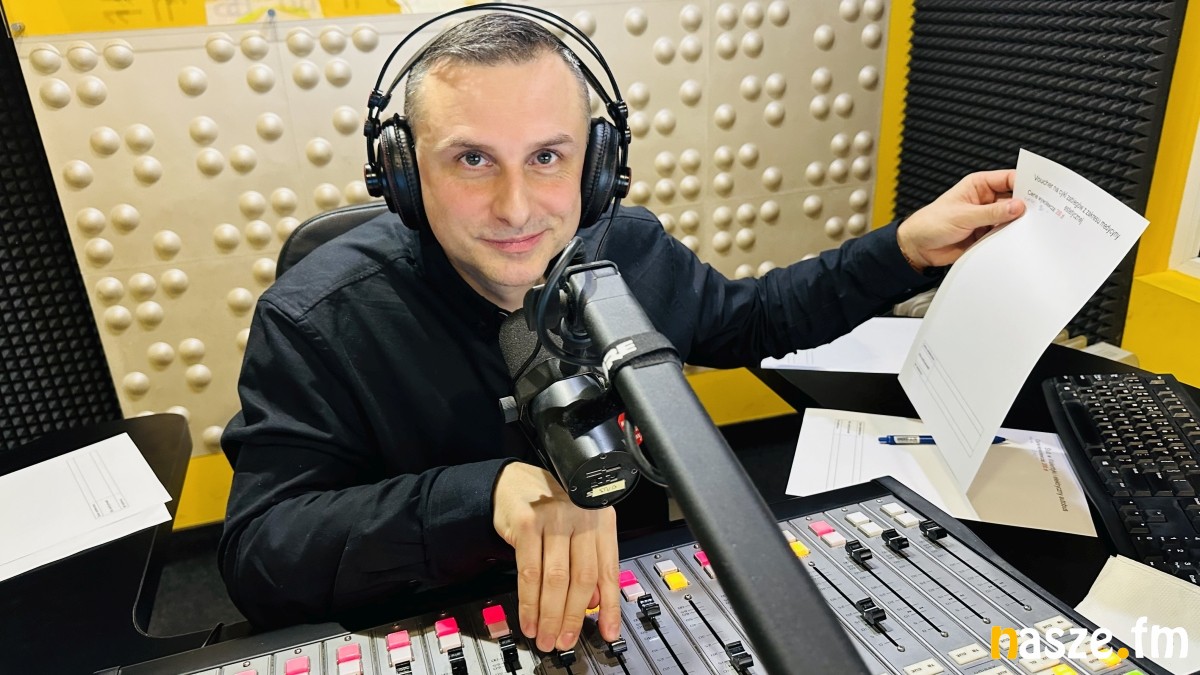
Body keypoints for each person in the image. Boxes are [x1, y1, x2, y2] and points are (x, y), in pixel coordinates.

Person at [218, 11, 1026, 655]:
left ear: (599, 164)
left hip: (635, 608)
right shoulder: (315, 318)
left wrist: (905, 250)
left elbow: (754, 317)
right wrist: (482, 497)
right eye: (471, 160)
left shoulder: (626, 251)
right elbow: (262, 552)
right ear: (401, 171)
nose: (515, 207)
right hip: (433, 625)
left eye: (547, 156)